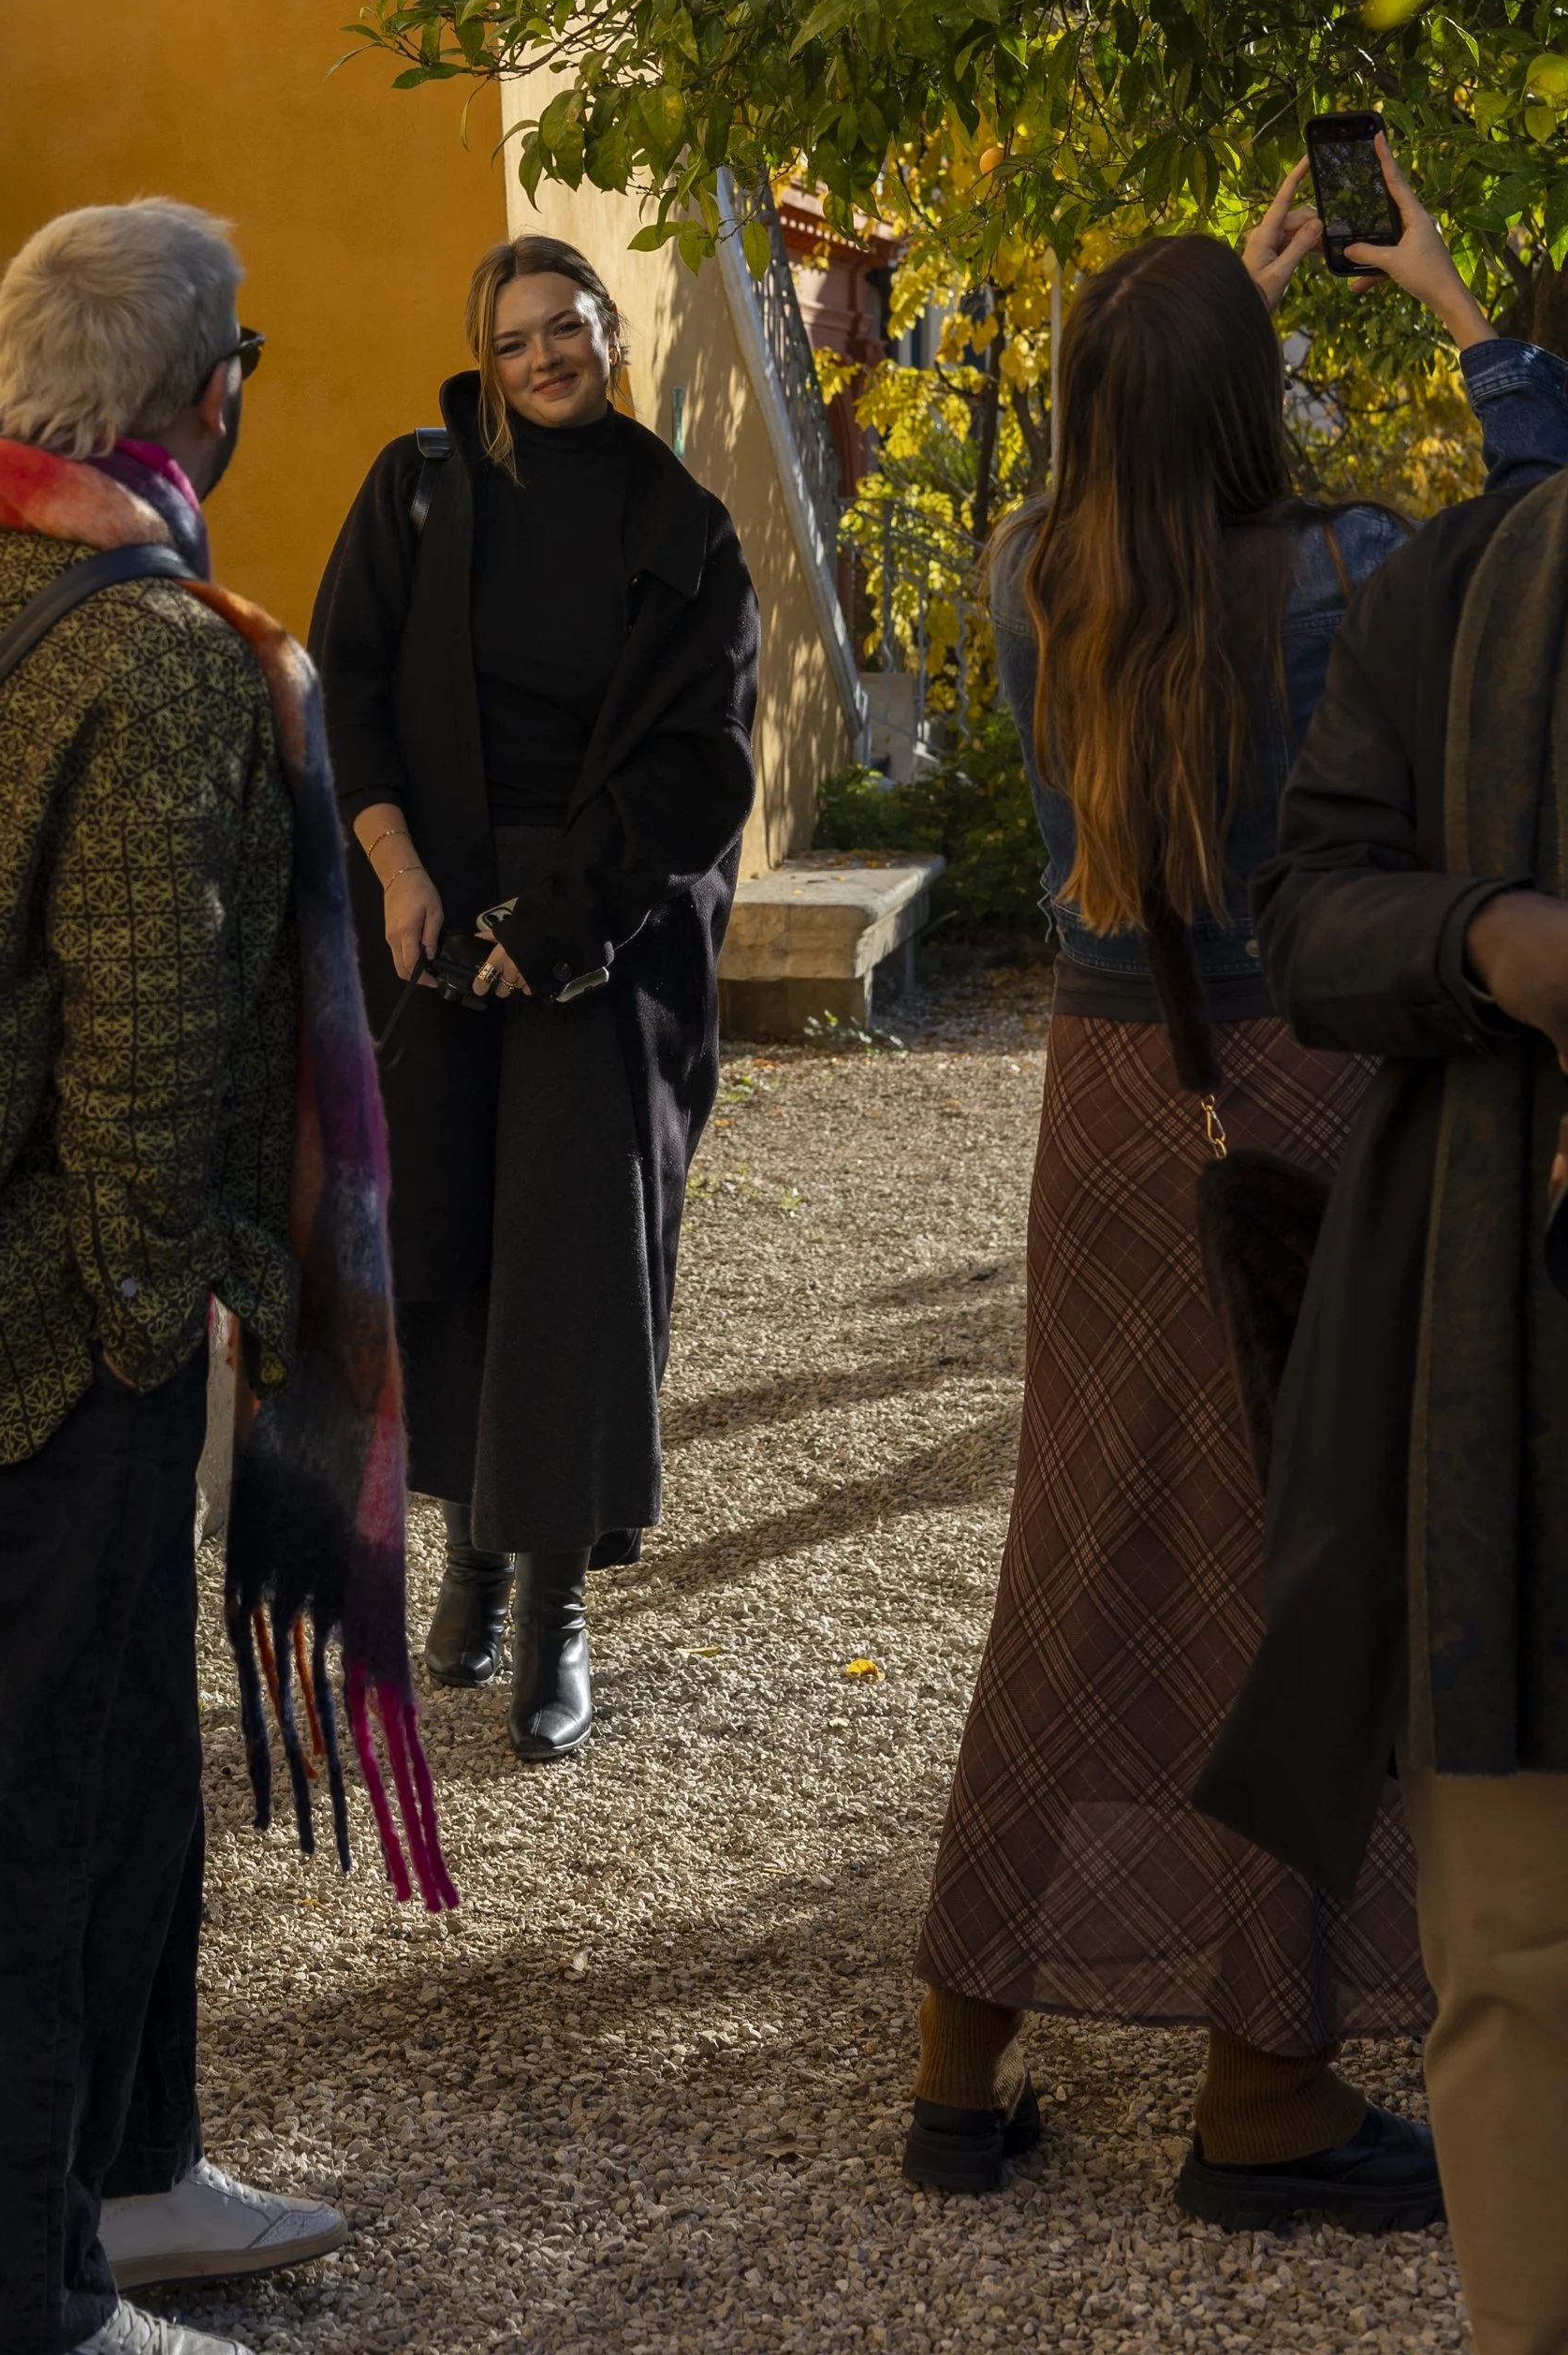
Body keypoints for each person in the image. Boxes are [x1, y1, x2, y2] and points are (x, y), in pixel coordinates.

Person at [903, 144, 1568, 2230]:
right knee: (1296, 1581)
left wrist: (1214, 300)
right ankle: (1265, 2090)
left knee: (1085, 1561)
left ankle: (960, 2049)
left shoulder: (1033, 572)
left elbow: (1151, 441)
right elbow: (1538, 546)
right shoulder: (1354, 568)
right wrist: (1466, 322)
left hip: (1110, 1104)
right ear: (1245, 397)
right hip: (1297, 1093)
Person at [0, 199, 345, 2355]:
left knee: (107, 1756)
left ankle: (125, 2179)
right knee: (14, 1814)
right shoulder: (146, 650)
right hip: (57, 1323)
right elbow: (146, 1047)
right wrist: (166, 1314)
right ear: (207, 393)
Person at [1202, 440, 1568, 2350]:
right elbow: (1312, 911)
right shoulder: (1459, 585)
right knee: (1516, 1955)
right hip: (1505, 1367)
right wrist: (1491, 939)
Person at [311, 235, 759, 1760]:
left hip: (605, 928)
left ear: (612, 333)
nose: (545, 358)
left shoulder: (682, 528)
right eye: (513, 341)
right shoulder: (420, 491)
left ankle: (555, 1600)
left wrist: (556, 927)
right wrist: (396, 871)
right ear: (483, 357)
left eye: (567, 328)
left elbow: (702, 763)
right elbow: (349, 689)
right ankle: (476, 1555)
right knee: (448, 1235)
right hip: (433, 910)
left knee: (569, 1255)